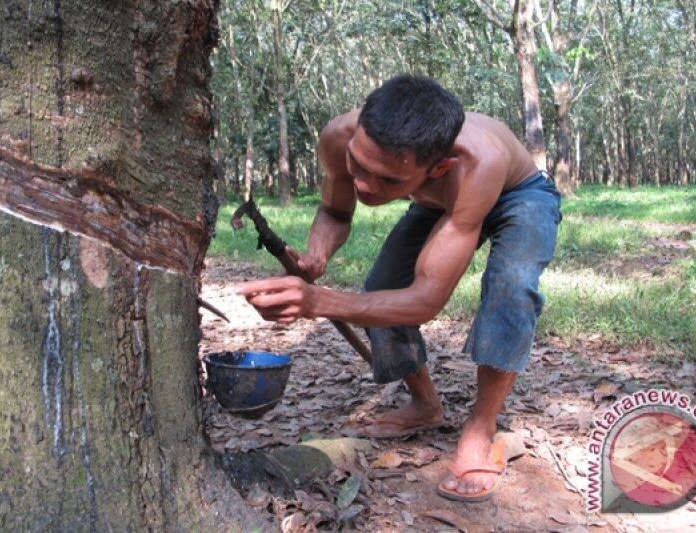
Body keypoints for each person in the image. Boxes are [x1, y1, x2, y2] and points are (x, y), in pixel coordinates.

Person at [237, 74, 562, 501]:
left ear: (438, 168)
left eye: (388, 181)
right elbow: (336, 211)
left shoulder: (475, 163)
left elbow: (426, 299)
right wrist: (317, 256)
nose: (366, 187)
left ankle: (481, 427)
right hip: (436, 199)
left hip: (517, 194)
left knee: (511, 290)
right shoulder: (340, 135)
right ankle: (425, 406)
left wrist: (320, 301)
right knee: (383, 286)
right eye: (359, 167)